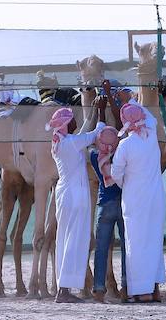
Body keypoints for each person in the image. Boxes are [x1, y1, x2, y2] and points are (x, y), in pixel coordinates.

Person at [47, 98, 107, 303]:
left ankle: (63, 288)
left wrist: (95, 111)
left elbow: (86, 134)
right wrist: (101, 110)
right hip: (74, 195)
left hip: (66, 193)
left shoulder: (62, 142)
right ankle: (63, 290)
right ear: (66, 124)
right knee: (74, 240)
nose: (75, 122)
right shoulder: (70, 143)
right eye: (72, 120)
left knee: (66, 238)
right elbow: (96, 134)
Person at [110, 102, 166, 303]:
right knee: (154, 241)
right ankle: (155, 289)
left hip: (135, 199)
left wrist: (126, 184)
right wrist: (133, 100)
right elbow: (151, 117)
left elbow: (116, 173)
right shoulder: (152, 135)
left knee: (136, 244)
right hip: (156, 197)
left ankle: (142, 291)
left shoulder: (125, 145)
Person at [90, 126, 126, 303]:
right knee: (126, 247)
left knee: (101, 249)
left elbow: (90, 144)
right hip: (122, 203)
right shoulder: (121, 157)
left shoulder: (94, 156)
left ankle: (98, 289)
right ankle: (126, 287)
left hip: (104, 204)